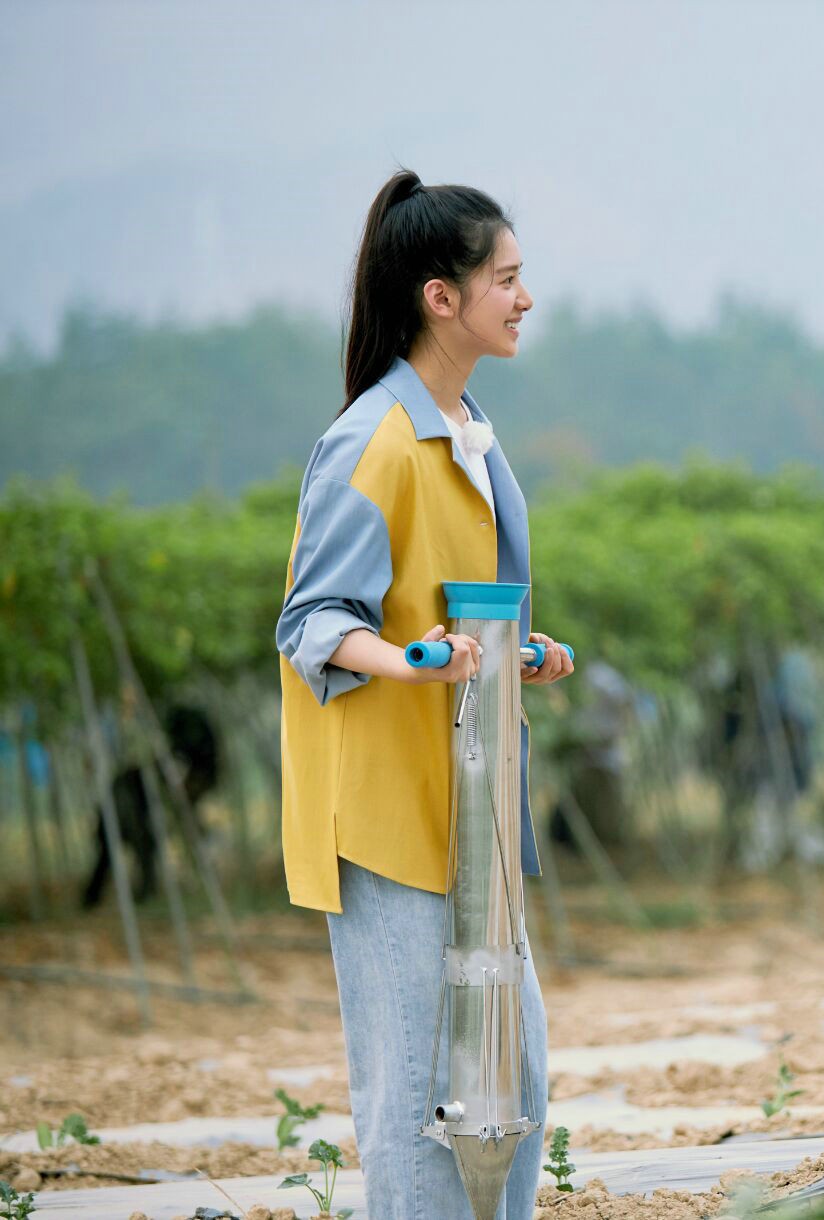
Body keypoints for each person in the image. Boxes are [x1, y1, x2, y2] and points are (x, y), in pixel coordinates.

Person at [276, 169, 573, 1220]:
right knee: (418, 1100)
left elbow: (459, 609)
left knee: (515, 1080)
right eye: (506, 277)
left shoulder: (474, 439)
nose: (524, 296)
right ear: (440, 296)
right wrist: (412, 660)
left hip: (474, 815)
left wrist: (518, 650)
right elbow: (313, 621)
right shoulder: (372, 439)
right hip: (389, 820)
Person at [81, 705, 220, 910]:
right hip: (120, 818)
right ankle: (128, 895)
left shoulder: (144, 775)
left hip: (122, 818)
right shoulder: (138, 779)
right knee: (132, 851)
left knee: (129, 852)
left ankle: (137, 895)